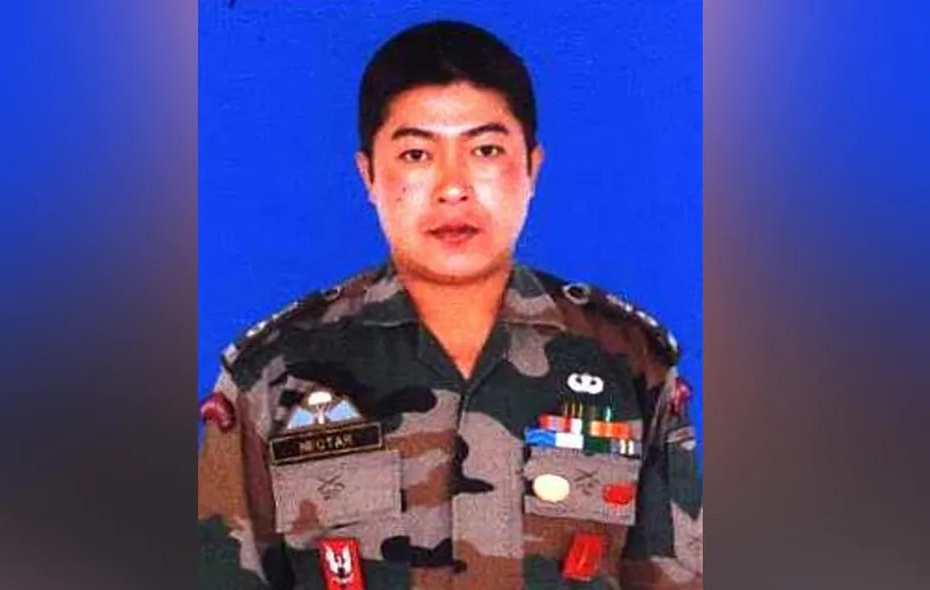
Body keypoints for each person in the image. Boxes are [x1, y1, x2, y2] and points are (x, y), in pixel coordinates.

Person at [198, 19, 702, 590]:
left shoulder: (627, 361)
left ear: (531, 168)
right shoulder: (273, 374)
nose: (453, 187)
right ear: (368, 175)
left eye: (485, 150)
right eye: (416, 154)